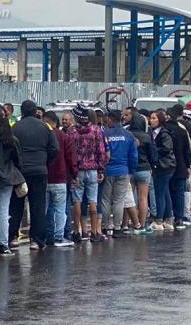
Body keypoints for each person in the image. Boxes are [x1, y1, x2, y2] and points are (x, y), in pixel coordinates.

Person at [13, 100, 58, 250]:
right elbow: (54, 148)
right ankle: (36, 240)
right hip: (39, 171)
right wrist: (45, 161)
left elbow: (10, 148)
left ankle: (13, 237)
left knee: (16, 204)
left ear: (22, 112)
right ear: (35, 112)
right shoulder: (45, 127)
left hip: (20, 172)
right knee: (38, 206)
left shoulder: (15, 127)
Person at [0, 106, 23, 256]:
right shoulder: (11, 138)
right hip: (7, 177)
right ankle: (4, 245)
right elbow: (18, 159)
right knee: (3, 212)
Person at [70, 104, 107, 243]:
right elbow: (101, 151)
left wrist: (72, 171)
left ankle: (77, 231)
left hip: (78, 170)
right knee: (93, 200)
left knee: (77, 200)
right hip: (93, 169)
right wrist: (101, 170)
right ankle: (94, 232)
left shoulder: (72, 132)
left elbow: (70, 152)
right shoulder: (96, 130)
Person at [100, 111, 138, 238]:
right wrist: (130, 170)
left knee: (105, 200)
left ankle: (105, 227)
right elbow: (133, 156)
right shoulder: (128, 135)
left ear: (110, 119)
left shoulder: (104, 134)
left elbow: (101, 153)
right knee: (119, 200)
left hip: (107, 170)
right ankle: (117, 228)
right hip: (123, 170)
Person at [44, 111, 76, 247]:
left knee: (45, 209)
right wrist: (74, 175)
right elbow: (71, 158)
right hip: (60, 178)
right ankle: (59, 237)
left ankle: (46, 235)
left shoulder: (43, 135)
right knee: (60, 209)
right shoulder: (64, 137)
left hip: (45, 177)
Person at [128, 112, 157, 235]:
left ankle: (129, 224)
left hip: (129, 170)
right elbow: (152, 154)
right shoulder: (146, 136)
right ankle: (142, 224)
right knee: (143, 199)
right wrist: (152, 164)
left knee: (129, 199)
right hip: (144, 169)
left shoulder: (127, 135)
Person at [164, 106, 191, 230]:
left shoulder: (164, 129)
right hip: (181, 165)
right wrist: (188, 165)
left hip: (165, 165)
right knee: (179, 193)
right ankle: (179, 218)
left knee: (166, 192)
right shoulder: (182, 131)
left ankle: (167, 217)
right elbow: (187, 150)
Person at [149, 110, 176, 231]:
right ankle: (168, 219)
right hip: (162, 165)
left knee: (159, 193)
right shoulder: (153, 132)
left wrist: (153, 150)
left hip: (164, 166)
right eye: (151, 118)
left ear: (160, 120)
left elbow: (166, 148)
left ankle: (159, 220)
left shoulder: (164, 133)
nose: (151, 120)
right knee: (165, 192)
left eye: (154, 118)